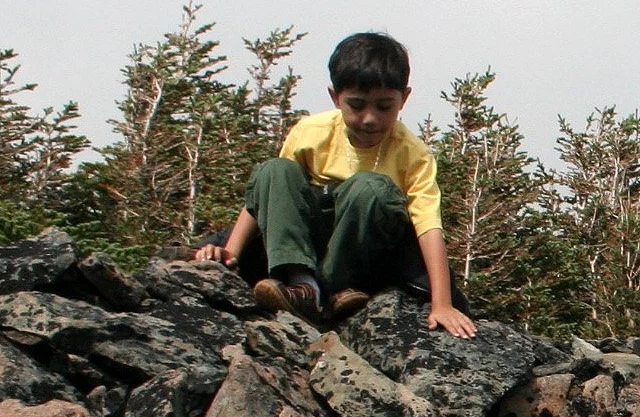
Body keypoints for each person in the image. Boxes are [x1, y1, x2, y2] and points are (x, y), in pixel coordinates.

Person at [198, 31, 477, 337]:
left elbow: (428, 227)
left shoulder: (413, 154)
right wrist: (231, 252)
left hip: (363, 253)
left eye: (384, 107)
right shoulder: (310, 132)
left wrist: (442, 303)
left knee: (371, 189)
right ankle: (302, 283)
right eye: (357, 105)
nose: (369, 118)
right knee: (275, 169)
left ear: (404, 99)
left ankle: (335, 288)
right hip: (311, 240)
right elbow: (272, 194)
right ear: (335, 97)